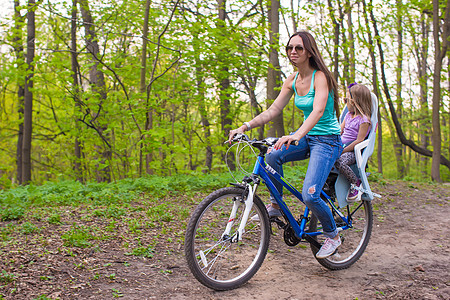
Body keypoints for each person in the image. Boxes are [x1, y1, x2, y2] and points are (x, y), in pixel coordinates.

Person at [228, 30, 343, 259]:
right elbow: (273, 110)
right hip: (307, 137)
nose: (293, 52)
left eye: (298, 48)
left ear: (309, 52)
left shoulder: (321, 77)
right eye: (289, 48)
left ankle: (333, 235)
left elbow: (319, 110)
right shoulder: (292, 79)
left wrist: (297, 134)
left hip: (327, 141)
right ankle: (276, 205)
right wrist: (245, 126)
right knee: (271, 156)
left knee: (310, 195)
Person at [335, 83, 372, 201]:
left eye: (346, 100)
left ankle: (355, 182)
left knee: (341, 162)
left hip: (353, 151)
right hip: (342, 146)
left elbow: (359, 140)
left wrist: (343, 150)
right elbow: (339, 131)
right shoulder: (347, 116)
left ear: (355, 102)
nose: (345, 103)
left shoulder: (364, 120)